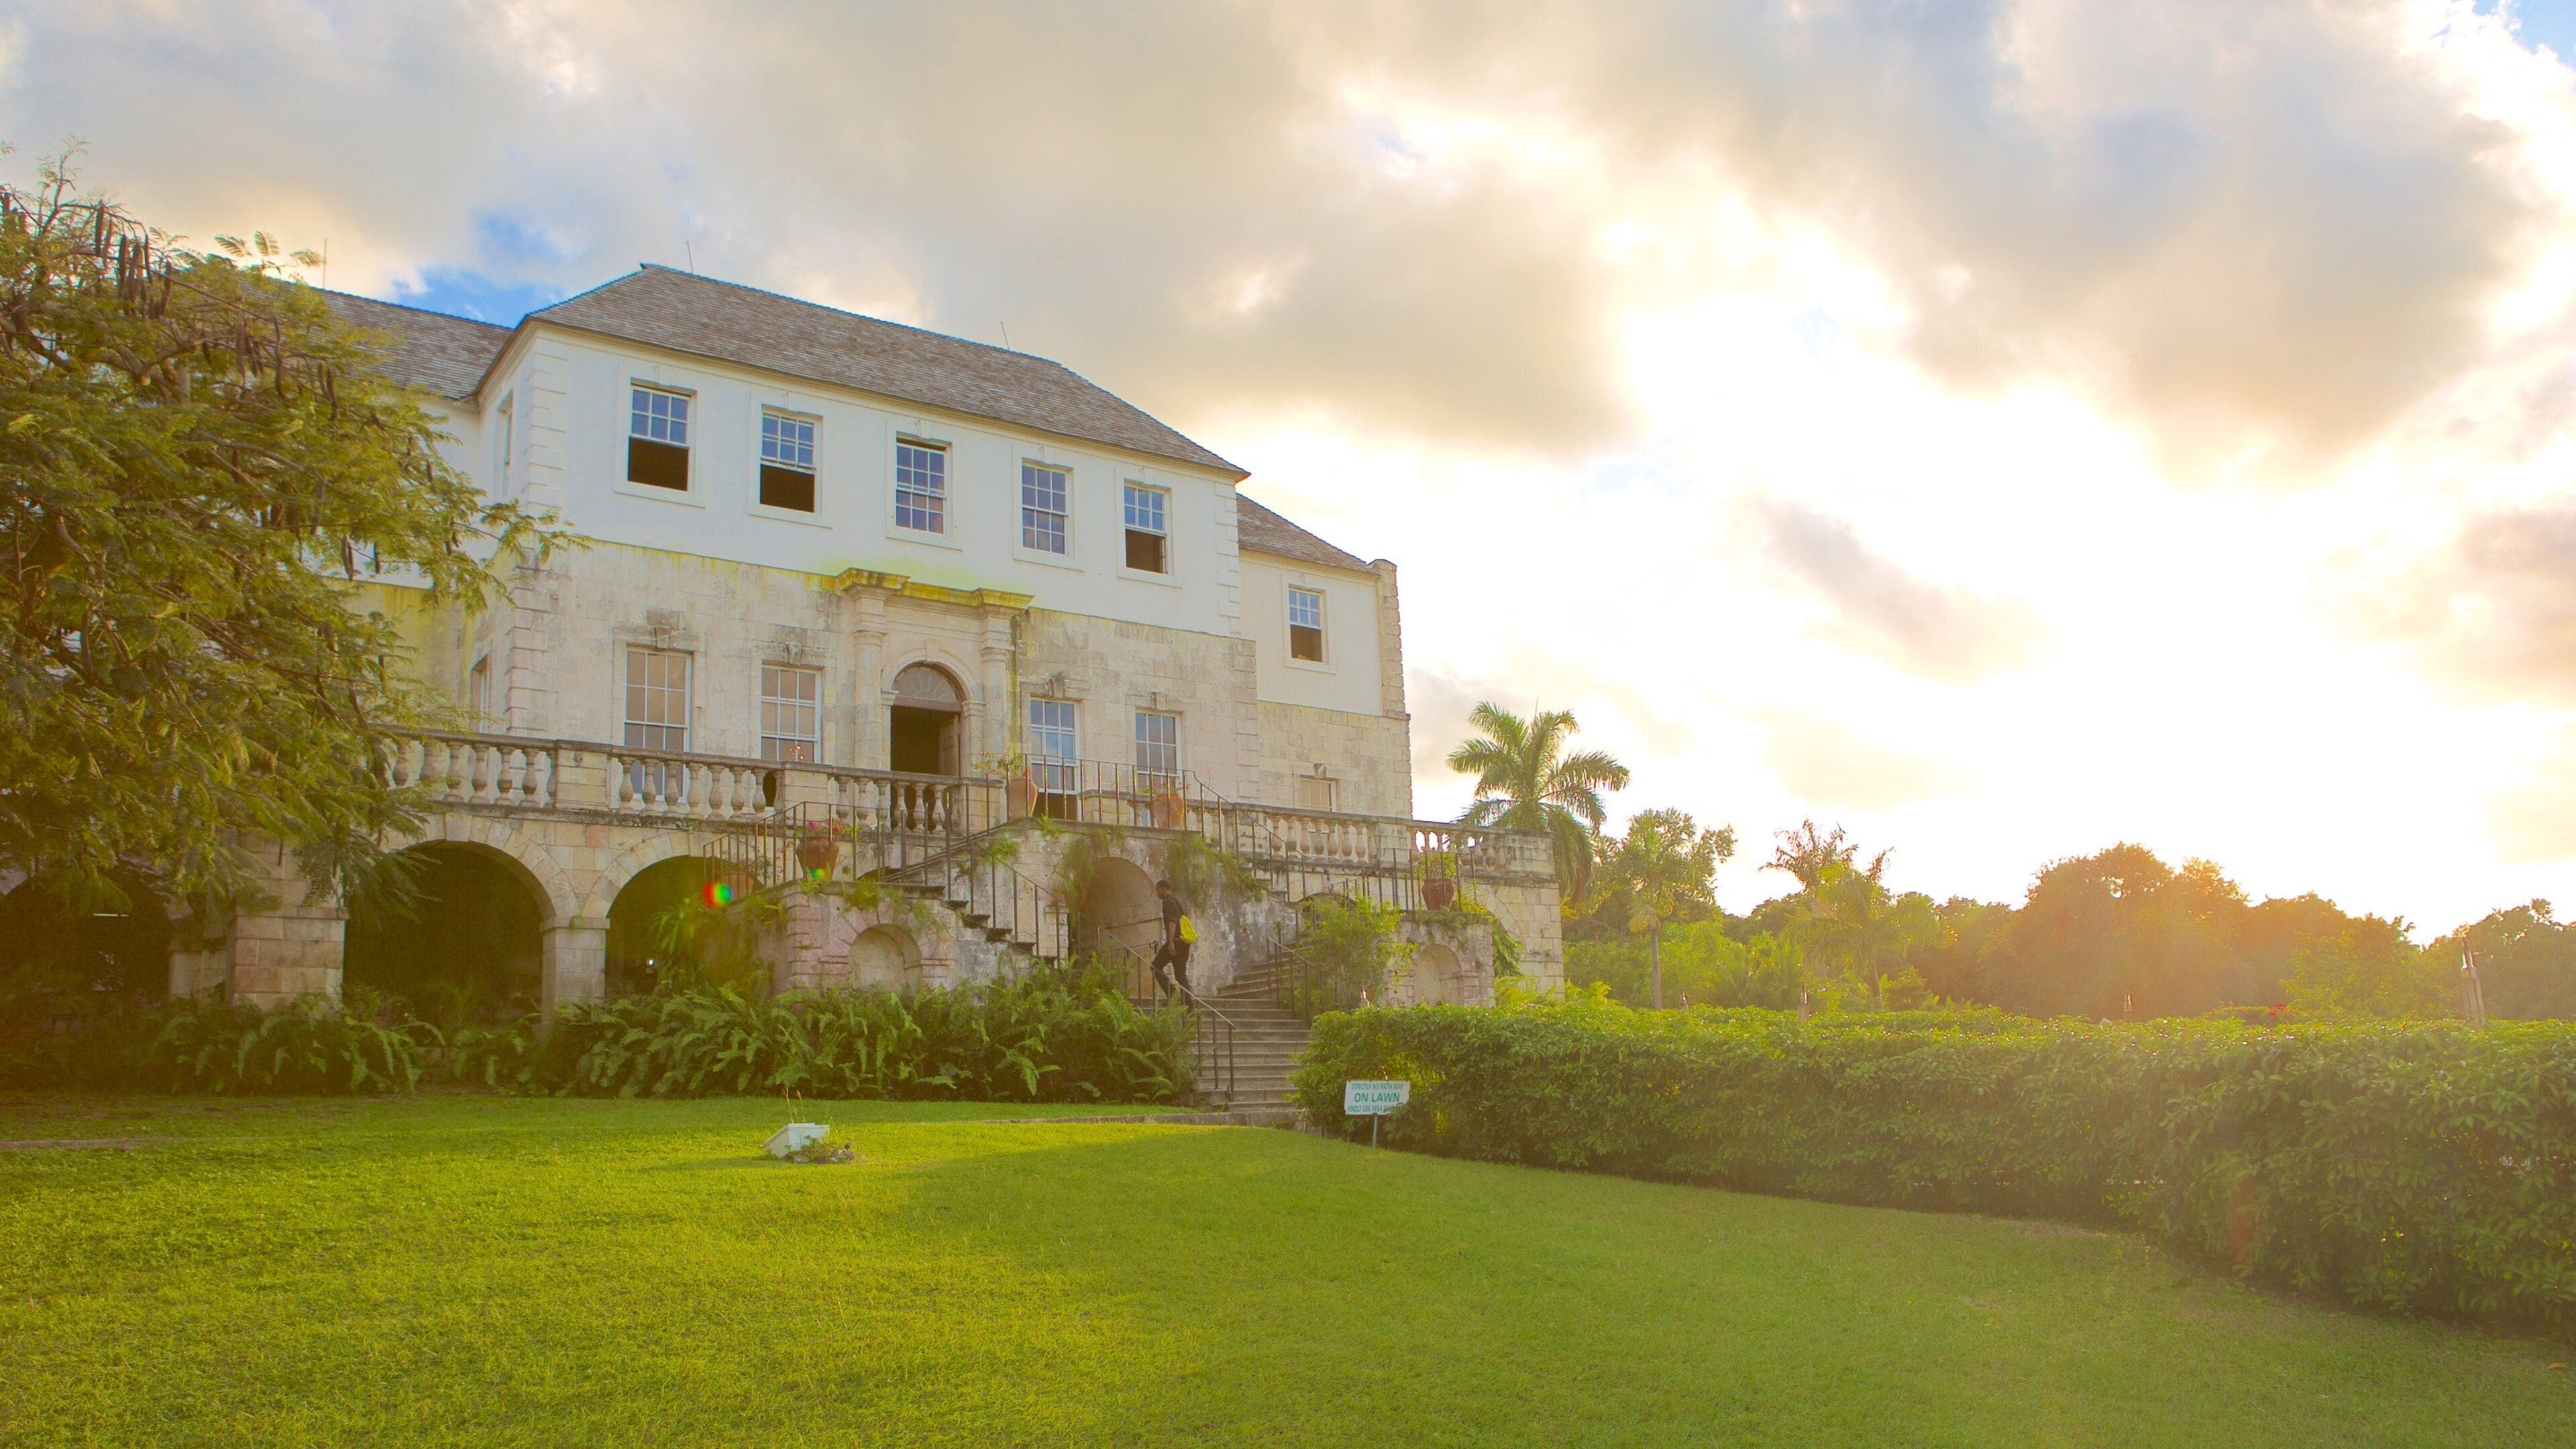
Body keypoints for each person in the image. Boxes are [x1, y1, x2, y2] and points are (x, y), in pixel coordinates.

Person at [1152, 877, 1193, 1002]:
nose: (1157, 893)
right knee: (1181, 975)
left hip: (1175, 941)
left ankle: (1174, 996)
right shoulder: (1176, 901)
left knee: (1155, 967)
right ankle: (1189, 1007)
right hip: (1184, 943)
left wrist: (1170, 943)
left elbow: (1172, 921)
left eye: (1158, 891)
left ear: (1163, 889)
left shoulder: (1168, 901)